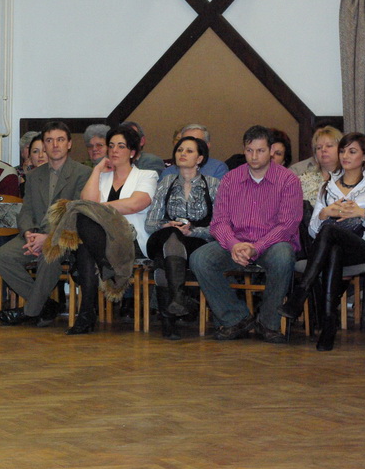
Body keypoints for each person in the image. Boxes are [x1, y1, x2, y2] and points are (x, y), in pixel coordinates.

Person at [189, 125, 302, 344]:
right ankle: (236, 319)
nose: (254, 156)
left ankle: (268, 323)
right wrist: (233, 245)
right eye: (250, 150)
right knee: (200, 259)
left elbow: (287, 225)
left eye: (260, 150)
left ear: (271, 151)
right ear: (244, 150)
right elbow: (219, 222)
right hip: (236, 242)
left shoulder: (288, 180)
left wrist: (256, 247)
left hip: (271, 244)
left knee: (283, 256)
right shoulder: (231, 179)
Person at [278, 132, 365, 351]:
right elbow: (313, 231)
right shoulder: (327, 187)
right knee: (332, 245)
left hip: (361, 247)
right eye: (342, 151)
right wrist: (324, 213)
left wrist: (362, 214)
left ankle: (301, 293)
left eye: (352, 151)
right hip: (331, 248)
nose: (345, 156)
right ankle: (328, 324)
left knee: (329, 231)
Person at [0, 122, 91, 327]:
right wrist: (28, 233)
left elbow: (77, 213)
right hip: (34, 234)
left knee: (49, 256)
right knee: (1, 257)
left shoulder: (82, 173)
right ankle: (45, 305)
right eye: (49, 140)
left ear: (69, 144)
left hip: (64, 236)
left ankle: (30, 311)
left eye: (60, 140)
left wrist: (48, 237)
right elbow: (26, 210)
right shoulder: (34, 175)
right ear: (44, 145)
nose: (55, 145)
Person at [65, 124, 158, 335]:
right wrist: (97, 170)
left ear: (132, 152)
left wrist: (99, 208)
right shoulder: (102, 176)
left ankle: (87, 314)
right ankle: (103, 268)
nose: (114, 150)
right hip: (102, 241)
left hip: (131, 239)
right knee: (84, 229)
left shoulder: (147, 175)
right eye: (112, 145)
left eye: (121, 146)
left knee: (85, 228)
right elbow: (86, 203)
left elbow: (135, 204)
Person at [144, 136, 220, 339]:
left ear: (200, 158)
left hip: (196, 241)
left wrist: (193, 231)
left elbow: (218, 227)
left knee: (162, 263)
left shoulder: (213, 184)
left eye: (189, 151)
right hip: (163, 236)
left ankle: (168, 321)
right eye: (179, 150)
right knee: (171, 235)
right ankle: (179, 297)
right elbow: (150, 223)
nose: (182, 154)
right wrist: (167, 225)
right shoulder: (166, 182)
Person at [294, 126, 343, 209]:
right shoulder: (302, 181)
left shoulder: (350, 179)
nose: (323, 150)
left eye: (329, 146)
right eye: (319, 148)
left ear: (341, 150)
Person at [159, 124, 229, 181]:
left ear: (207, 145)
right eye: (186, 141)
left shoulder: (217, 168)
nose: (189, 144)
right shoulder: (168, 172)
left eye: (196, 141)